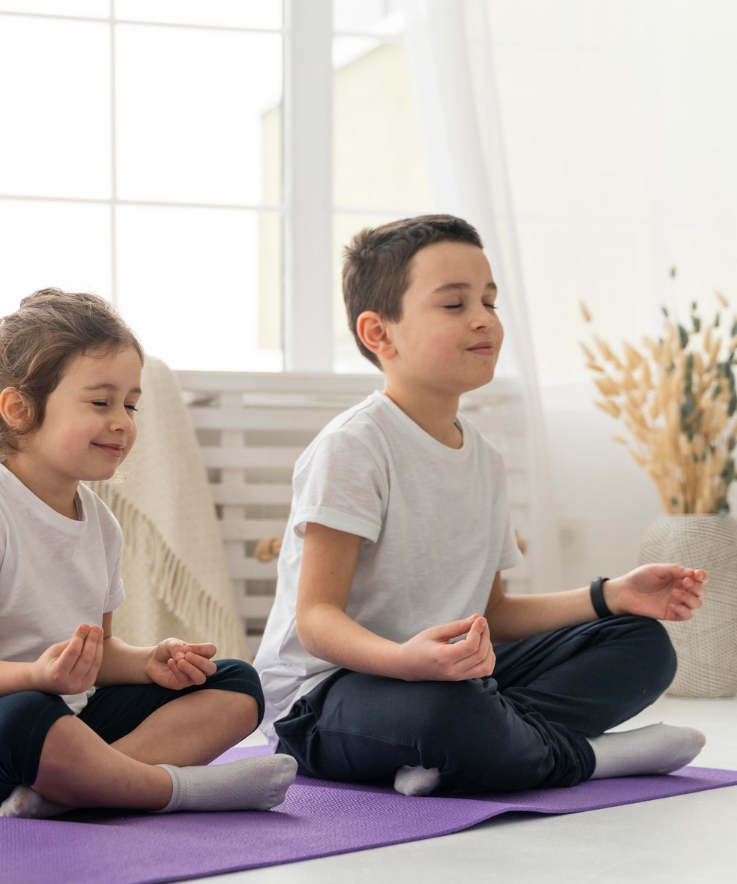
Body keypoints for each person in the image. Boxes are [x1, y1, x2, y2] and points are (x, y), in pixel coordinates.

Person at [254, 214, 708, 797]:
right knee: (447, 712)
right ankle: (589, 758)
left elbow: (493, 610)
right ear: (379, 334)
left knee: (642, 644)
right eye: (453, 304)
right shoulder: (353, 448)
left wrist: (609, 595)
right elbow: (316, 621)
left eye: (490, 302)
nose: (483, 319)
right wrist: (407, 663)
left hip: (451, 679)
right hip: (324, 698)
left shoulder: (485, 460)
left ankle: (481, 748)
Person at [0, 289, 296, 820]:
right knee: (27, 715)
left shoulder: (102, 524)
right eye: (100, 402)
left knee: (237, 683)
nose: (124, 422)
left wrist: (149, 662)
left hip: (68, 721)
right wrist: (36, 676)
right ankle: (176, 790)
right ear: (19, 409)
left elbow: (99, 656)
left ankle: (72, 791)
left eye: (130, 404)